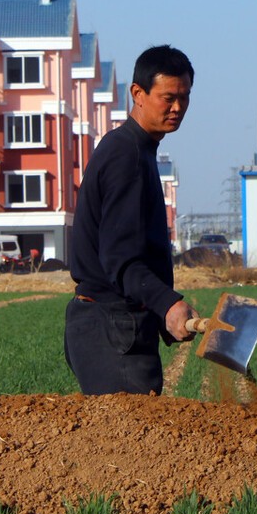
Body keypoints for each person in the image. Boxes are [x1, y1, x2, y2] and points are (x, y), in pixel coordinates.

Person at [64, 44, 199, 394]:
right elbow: (120, 261)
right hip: (112, 328)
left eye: (184, 97)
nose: (177, 108)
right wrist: (167, 302)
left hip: (112, 325)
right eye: (168, 97)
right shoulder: (127, 157)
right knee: (129, 440)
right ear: (137, 93)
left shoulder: (135, 149)